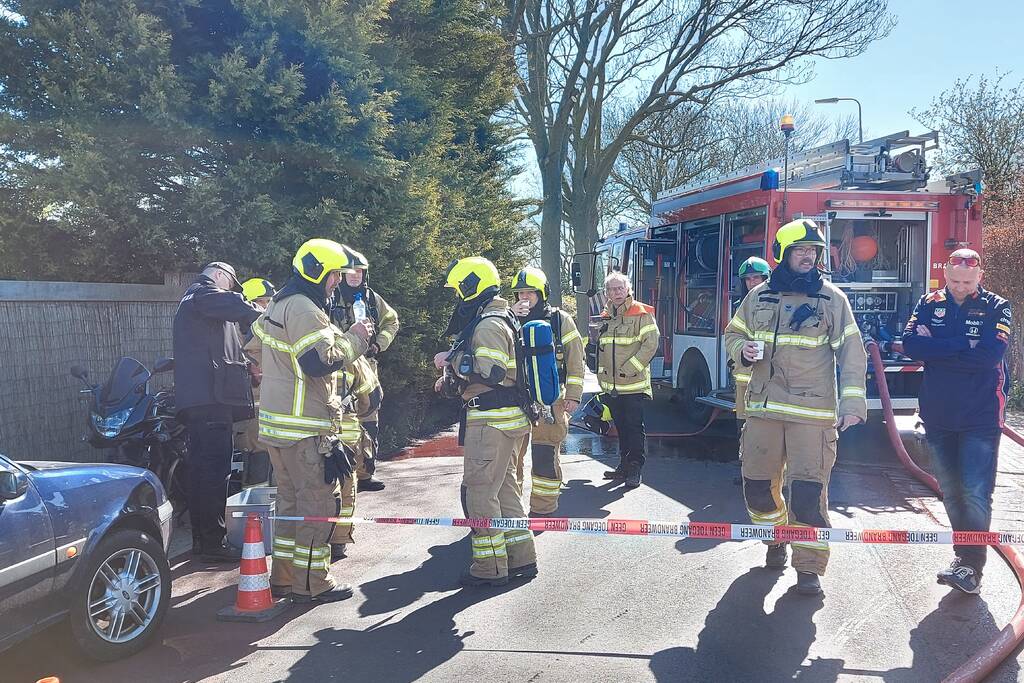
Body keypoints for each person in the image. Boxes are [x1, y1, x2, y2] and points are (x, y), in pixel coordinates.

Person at [724, 219, 867, 596]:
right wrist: (743, 350)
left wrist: (853, 402)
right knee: (756, 487)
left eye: (814, 252)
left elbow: (853, 352)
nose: (808, 257)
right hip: (763, 412)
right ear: (783, 255)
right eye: (801, 251)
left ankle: (808, 569)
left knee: (806, 494)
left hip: (812, 416)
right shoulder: (758, 297)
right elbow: (733, 333)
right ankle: (775, 540)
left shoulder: (832, 300)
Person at [245, 239, 373, 604]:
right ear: (319, 274)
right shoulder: (304, 308)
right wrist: (356, 339)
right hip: (304, 430)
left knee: (289, 506)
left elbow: (252, 347)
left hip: (276, 428)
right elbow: (319, 362)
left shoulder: (281, 303)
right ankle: (313, 584)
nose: (336, 283)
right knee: (317, 507)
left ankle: (284, 579)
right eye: (334, 276)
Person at [901, 248, 1011, 594]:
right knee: (950, 490)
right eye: (954, 280)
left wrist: (940, 347)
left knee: (975, 491)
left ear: (980, 276)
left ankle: (971, 568)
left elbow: (988, 356)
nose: (960, 287)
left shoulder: (998, 307)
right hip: (938, 414)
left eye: (967, 281)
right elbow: (911, 346)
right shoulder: (929, 302)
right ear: (945, 272)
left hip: (980, 416)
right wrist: (964, 342)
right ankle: (963, 558)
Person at [434, 257, 537, 587]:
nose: (457, 299)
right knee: (505, 491)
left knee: (479, 493)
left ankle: (490, 567)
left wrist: (450, 360)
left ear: (471, 286)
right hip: (506, 421)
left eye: (458, 290)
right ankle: (521, 558)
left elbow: (491, 371)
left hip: (491, 422)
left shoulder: (489, 324)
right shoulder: (500, 318)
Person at [173, 262, 262, 562]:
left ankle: (205, 540)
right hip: (211, 400)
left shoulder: (193, 302)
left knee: (202, 472)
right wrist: (261, 315)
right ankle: (212, 543)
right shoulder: (204, 294)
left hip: (201, 400)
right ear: (222, 277)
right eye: (232, 285)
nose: (232, 291)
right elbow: (232, 305)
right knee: (214, 472)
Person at [510, 266, 585, 514]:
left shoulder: (559, 319)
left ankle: (543, 510)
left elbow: (575, 360)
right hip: (514, 399)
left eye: (530, 292)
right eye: (519, 293)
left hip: (550, 398)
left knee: (544, 456)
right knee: (511, 460)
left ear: (542, 293)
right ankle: (511, 513)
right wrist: (512, 319)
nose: (524, 298)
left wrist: (573, 396)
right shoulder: (506, 320)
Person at [330, 247, 400, 492]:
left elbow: (391, 321)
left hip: (367, 368)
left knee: (369, 421)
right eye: (350, 271)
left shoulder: (372, 299)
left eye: (360, 272)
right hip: (338, 369)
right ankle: (343, 475)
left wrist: (379, 344)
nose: (355, 276)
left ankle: (365, 475)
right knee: (341, 421)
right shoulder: (331, 296)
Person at [593, 271, 659, 489]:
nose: (616, 292)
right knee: (620, 427)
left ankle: (635, 468)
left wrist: (631, 369)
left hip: (633, 385)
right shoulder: (606, 315)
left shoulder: (642, 313)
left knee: (633, 427)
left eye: (619, 288)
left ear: (628, 288)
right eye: (611, 289)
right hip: (612, 387)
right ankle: (623, 465)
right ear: (607, 293)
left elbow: (651, 345)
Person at [328, 355, 383, 561]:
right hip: (345, 434)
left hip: (307, 433)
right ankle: (338, 542)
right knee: (345, 488)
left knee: (309, 490)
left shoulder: (293, 344)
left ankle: (313, 540)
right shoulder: (351, 354)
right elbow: (373, 395)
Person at [236, 278, 276, 455]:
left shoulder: (275, 330)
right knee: (251, 448)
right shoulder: (232, 331)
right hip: (247, 408)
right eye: (260, 301)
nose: (265, 307)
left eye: (269, 302)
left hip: (274, 406)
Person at [732, 257, 771, 420]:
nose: (752, 282)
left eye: (756, 277)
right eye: (748, 279)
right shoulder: (739, 306)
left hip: (767, 378)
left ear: (765, 278)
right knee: (742, 426)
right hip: (743, 378)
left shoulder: (777, 303)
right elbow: (733, 336)